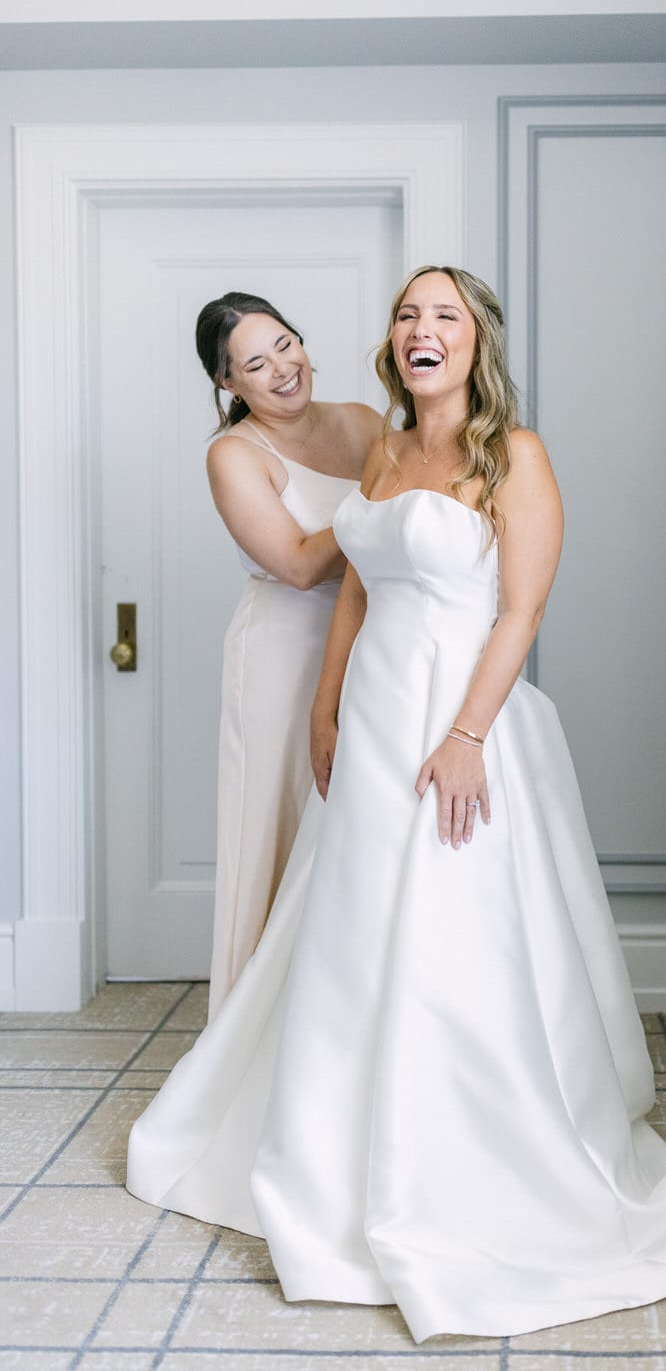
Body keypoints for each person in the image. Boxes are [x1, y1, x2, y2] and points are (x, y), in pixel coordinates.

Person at [128, 267, 666, 1342]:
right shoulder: (385, 447)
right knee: (349, 927)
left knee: (459, 932)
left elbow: (521, 609)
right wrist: (324, 704)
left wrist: (464, 738)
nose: (422, 328)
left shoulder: (517, 455)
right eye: (407, 313)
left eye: (444, 315)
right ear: (391, 342)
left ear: (476, 342)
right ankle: (330, 1134)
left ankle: (460, 1142)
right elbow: (355, 577)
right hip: (371, 717)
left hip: (463, 718)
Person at [196, 291, 380, 1015]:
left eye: (285, 344)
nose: (280, 369)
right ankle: (254, 1026)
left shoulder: (363, 421)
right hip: (282, 651)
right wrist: (384, 508)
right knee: (278, 825)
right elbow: (301, 565)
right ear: (227, 383)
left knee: (356, 829)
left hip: (373, 640)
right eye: (253, 363)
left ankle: (344, 1017)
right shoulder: (233, 454)